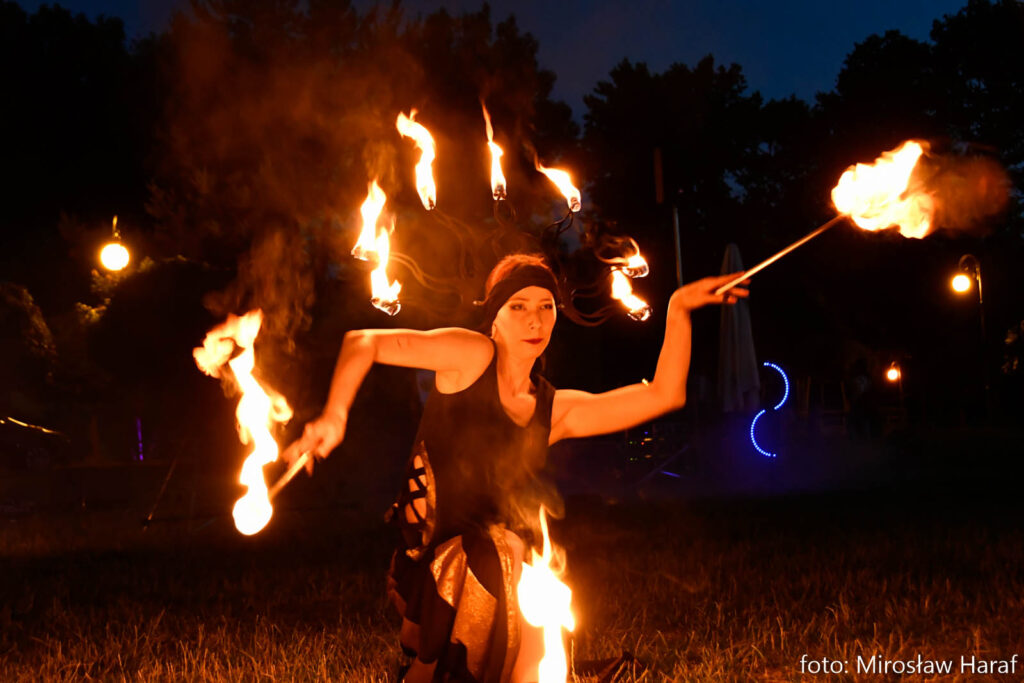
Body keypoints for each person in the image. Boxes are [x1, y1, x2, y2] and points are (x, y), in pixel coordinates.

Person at [282, 253, 748, 682]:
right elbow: (363, 342)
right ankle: (423, 669)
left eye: (546, 307)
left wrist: (679, 309)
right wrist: (334, 415)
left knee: (527, 577)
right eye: (518, 307)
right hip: (428, 574)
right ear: (495, 319)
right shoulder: (470, 357)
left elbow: (664, 395)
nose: (535, 320)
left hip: (500, 574)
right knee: (504, 549)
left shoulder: (552, 409)